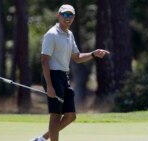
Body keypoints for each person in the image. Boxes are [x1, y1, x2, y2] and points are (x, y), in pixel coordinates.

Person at [30, 4, 110, 141]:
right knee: (56, 114)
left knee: (70, 116)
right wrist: (49, 85)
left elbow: (77, 58)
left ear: (73, 17)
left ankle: (42, 139)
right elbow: (44, 61)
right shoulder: (51, 34)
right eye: (65, 14)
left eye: (70, 15)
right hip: (52, 76)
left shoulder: (69, 34)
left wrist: (93, 54)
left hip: (63, 77)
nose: (67, 18)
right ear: (58, 16)